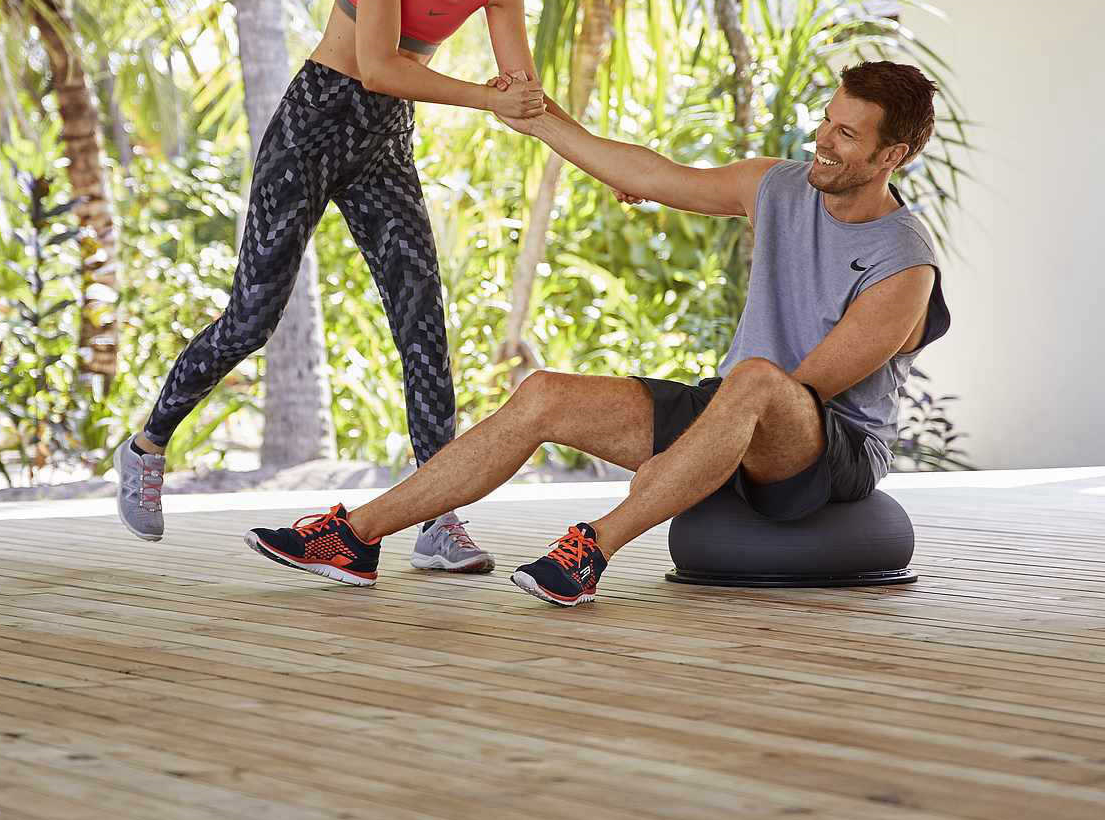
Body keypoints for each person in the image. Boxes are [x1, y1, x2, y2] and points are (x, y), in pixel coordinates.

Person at [243, 60, 952, 605]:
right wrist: (538, 118)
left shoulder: (904, 263)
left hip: (827, 447)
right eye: (827, 121)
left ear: (892, 155)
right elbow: (651, 172)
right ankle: (353, 537)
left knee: (757, 382)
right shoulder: (778, 185)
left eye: (847, 134)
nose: (823, 140)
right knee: (545, 394)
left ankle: (592, 550)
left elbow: (805, 387)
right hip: (735, 404)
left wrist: (674, 470)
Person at [117, 0, 571, 576]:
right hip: (313, 123)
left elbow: (525, 93)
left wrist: (609, 165)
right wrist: (488, 99)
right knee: (252, 318)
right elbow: (378, 66)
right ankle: (147, 445)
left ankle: (437, 520)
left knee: (423, 319)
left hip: (383, 142)